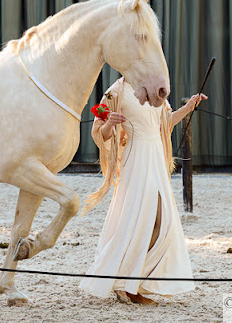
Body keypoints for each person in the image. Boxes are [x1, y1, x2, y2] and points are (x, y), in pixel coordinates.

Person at [79, 77, 207, 304]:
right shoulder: (115, 92)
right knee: (140, 218)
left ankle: (132, 281)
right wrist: (110, 123)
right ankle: (128, 286)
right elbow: (100, 134)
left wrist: (188, 108)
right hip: (135, 158)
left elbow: (165, 122)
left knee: (162, 218)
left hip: (155, 156)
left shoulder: (157, 89)